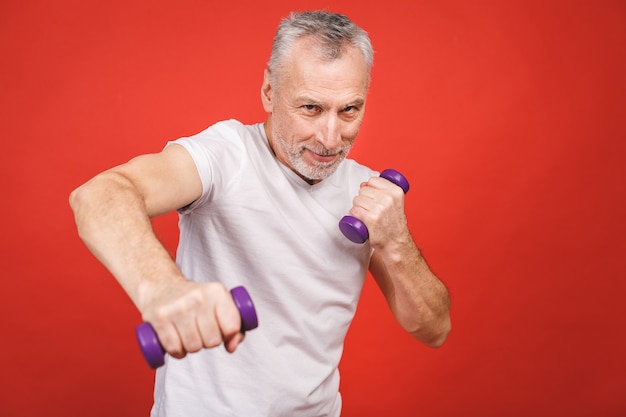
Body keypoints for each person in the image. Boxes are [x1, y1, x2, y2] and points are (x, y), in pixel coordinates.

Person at [70, 10, 451, 417]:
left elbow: (433, 329)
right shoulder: (224, 155)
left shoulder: (369, 193)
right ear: (269, 90)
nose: (329, 138)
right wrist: (162, 289)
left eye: (349, 111)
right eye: (310, 108)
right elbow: (99, 195)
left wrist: (397, 242)